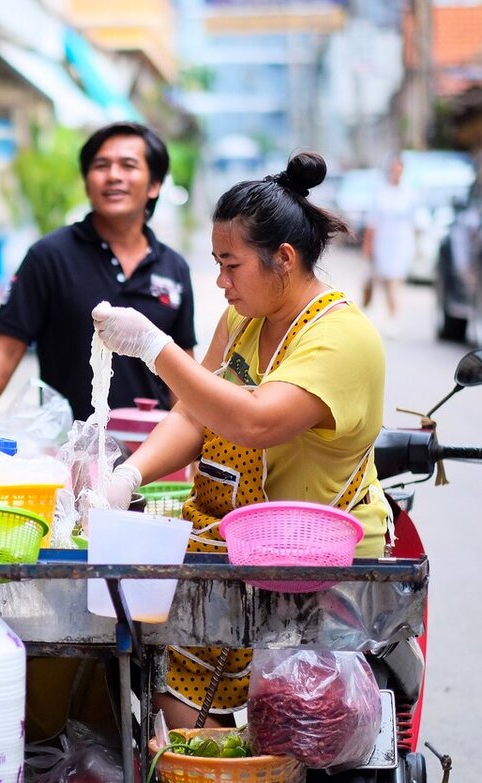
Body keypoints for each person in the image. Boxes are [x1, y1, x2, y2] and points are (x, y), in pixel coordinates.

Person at [94, 152, 392, 729]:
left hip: (319, 566)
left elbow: (254, 421)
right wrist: (126, 476)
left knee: (292, 724)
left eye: (231, 265)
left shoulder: (342, 338)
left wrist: (157, 349)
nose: (220, 282)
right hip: (237, 549)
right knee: (177, 693)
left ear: (283, 258)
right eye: (216, 263)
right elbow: (195, 414)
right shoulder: (244, 321)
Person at [0, 121, 196, 431]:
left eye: (128, 165)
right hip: (67, 451)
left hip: (152, 454)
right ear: (87, 182)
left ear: (154, 184)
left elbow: (183, 367)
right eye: (101, 165)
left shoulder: (174, 268)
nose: (113, 175)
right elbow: (6, 349)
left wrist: (189, 452)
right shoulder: (48, 256)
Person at [361, 154, 417, 332]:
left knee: (395, 278)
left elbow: (415, 221)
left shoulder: (410, 193)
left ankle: (393, 315)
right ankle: (389, 311)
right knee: (385, 279)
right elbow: (372, 222)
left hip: (402, 241)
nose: (396, 173)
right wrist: (368, 245)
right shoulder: (381, 193)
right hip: (384, 241)